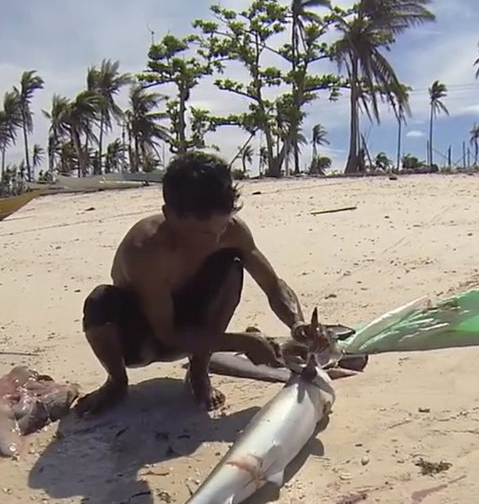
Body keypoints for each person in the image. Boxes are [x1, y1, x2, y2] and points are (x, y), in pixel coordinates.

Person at [74, 150, 315, 416]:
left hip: (196, 321)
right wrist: (243, 343)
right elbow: (166, 333)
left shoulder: (233, 231)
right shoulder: (145, 250)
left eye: (219, 229)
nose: (213, 241)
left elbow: (273, 286)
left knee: (232, 263)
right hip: (144, 340)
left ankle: (199, 371)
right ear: (170, 214)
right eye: (201, 233)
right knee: (99, 301)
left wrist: (297, 323)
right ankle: (116, 382)